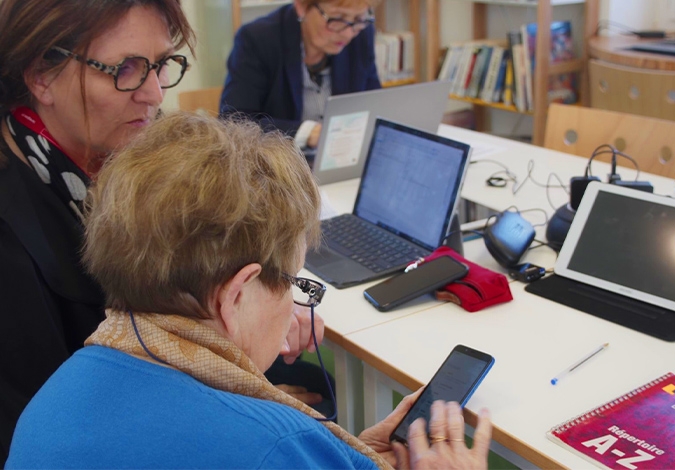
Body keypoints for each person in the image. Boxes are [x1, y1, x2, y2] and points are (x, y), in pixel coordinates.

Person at [7, 112, 493, 469]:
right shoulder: (272, 449)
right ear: (237, 295)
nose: (292, 310)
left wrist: (343, 455)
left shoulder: (52, 400)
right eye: (294, 284)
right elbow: (255, 447)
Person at [0, 1, 196, 464]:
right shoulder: (11, 233)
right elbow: (45, 428)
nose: (153, 93)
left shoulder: (115, 164)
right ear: (40, 76)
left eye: (161, 66)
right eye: (125, 68)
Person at [219, 0, 381, 152]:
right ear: (302, 6)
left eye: (359, 18)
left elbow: (374, 104)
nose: (348, 34)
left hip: (340, 162)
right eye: (337, 18)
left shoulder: (361, 34)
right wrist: (308, 132)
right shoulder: (258, 38)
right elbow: (234, 123)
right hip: (278, 168)